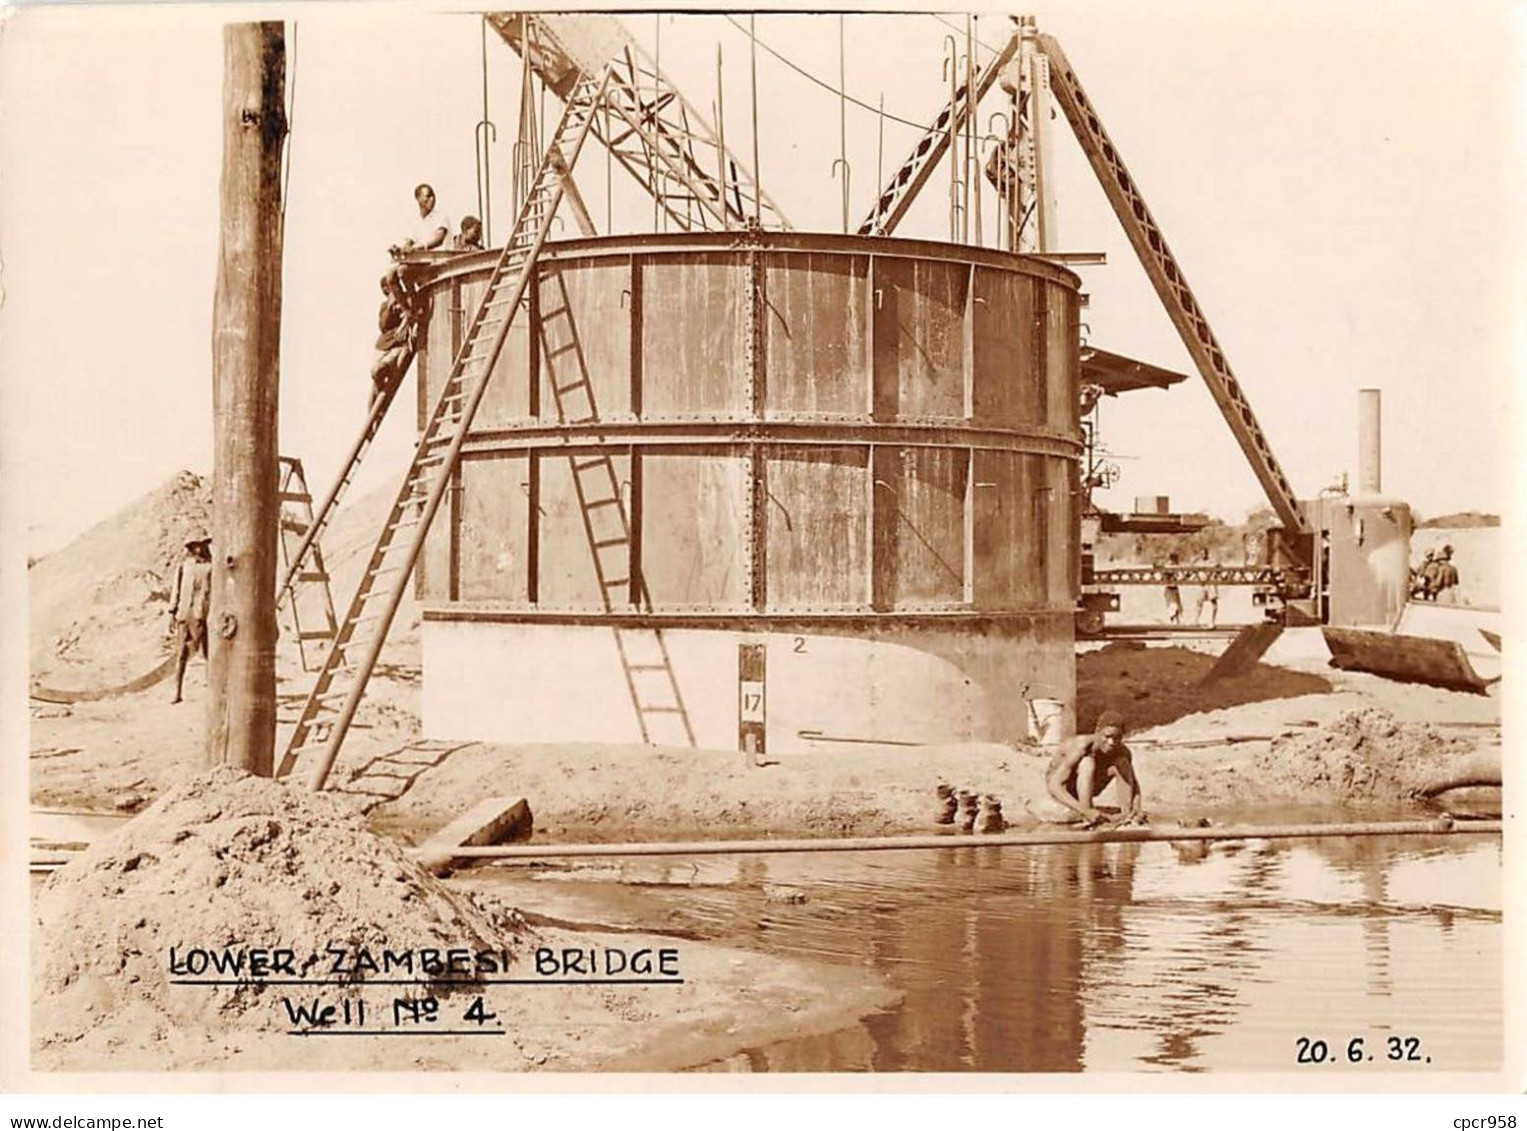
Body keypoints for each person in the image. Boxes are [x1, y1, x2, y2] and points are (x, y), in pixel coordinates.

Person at [1045, 710, 1144, 828]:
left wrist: (1137, 809)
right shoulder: (1080, 746)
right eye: (1107, 737)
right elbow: (1054, 785)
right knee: (1087, 762)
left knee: (1122, 762)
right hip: (1064, 789)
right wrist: (1085, 811)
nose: (1111, 742)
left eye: (1117, 738)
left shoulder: (1122, 750)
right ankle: (1087, 814)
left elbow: (1134, 784)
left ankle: (1127, 815)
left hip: (1091, 787)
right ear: (1097, 732)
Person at [168, 536, 212, 705]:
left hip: (205, 615)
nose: (198, 549)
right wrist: (172, 612)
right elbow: (176, 590)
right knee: (181, 655)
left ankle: (212, 691)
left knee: (209, 655)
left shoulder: (213, 567)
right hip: (184, 614)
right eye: (194, 545)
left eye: (200, 545)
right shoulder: (184, 566)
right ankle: (177, 692)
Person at [1193, 548, 1220, 627]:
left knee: (1213, 602)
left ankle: (1212, 621)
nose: (1203, 555)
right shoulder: (1198, 563)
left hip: (1210, 584)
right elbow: (1192, 568)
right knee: (1199, 602)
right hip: (1202, 584)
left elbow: (1218, 567)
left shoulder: (1211, 562)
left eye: (1204, 553)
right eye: (1201, 553)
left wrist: (1216, 569)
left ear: (1207, 554)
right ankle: (1196, 620)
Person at [1163, 552, 1183, 625]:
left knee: (1176, 604)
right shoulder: (1168, 566)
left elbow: (1180, 576)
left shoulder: (1177, 567)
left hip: (1174, 587)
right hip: (1169, 588)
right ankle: (1173, 620)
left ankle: (1176, 620)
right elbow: (1165, 575)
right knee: (1172, 605)